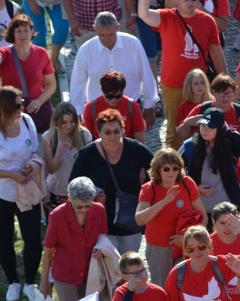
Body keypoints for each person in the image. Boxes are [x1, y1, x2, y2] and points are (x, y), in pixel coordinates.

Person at [137, 0, 227, 148]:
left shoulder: (208, 21)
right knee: (173, 130)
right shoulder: (167, 17)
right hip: (173, 85)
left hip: (199, 86)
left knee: (203, 126)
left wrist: (224, 80)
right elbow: (144, 14)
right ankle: (175, 166)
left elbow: (216, 52)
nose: (190, 2)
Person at [0, 87, 42, 301]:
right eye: (18, 105)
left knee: (33, 238)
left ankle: (30, 283)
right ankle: (12, 281)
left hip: (26, 190)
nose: (23, 107)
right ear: (5, 108)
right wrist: (10, 175)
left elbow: (34, 151)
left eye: (22, 103)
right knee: (4, 237)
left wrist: (31, 165)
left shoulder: (27, 121)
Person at [70, 108, 154, 255]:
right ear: (99, 132)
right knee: (111, 266)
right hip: (102, 221)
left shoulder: (135, 149)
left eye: (117, 131)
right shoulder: (87, 154)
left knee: (128, 264)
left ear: (123, 130)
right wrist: (93, 194)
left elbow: (157, 168)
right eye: (107, 132)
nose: (112, 136)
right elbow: (73, 185)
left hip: (130, 220)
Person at [135, 148, 208, 288]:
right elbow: (139, 219)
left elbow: (203, 218)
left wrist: (187, 239)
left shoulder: (187, 183)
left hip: (186, 247)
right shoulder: (149, 189)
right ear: (158, 170)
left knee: (188, 287)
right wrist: (165, 201)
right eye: (166, 169)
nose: (171, 172)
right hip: (160, 249)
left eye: (175, 168)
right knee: (163, 288)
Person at [70, 12, 158, 125]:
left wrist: (149, 107)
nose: (106, 39)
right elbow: (78, 82)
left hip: (130, 105)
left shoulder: (133, 44)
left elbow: (145, 74)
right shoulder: (86, 49)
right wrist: (78, 112)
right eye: (102, 35)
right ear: (94, 29)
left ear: (118, 27)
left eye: (111, 34)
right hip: (98, 107)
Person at [39, 177, 107, 301]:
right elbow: (48, 249)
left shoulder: (99, 210)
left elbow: (102, 235)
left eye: (88, 206)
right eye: (79, 207)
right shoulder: (57, 215)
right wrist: (44, 280)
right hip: (66, 274)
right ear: (69, 198)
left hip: (90, 272)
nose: (84, 210)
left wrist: (101, 249)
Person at [179, 107, 240, 215]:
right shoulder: (190, 146)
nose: (205, 130)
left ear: (221, 128)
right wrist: (194, 187)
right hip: (198, 212)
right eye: (202, 125)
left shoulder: (230, 144)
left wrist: (230, 133)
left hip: (227, 210)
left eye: (210, 127)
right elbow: (172, 169)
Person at [0, 15, 57, 133]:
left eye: (26, 30)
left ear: (32, 32)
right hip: (11, 107)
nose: (23, 34)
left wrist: (39, 101)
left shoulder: (41, 53)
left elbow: (51, 84)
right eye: (18, 31)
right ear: (12, 34)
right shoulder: (5, 53)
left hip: (37, 107)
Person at [42, 103, 94, 215]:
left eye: (72, 122)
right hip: (58, 191)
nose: (69, 126)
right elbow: (50, 169)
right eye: (64, 122)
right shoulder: (49, 137)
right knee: (60, 228)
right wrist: (58, 155)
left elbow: (91, 165)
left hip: (81, 190)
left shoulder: (84, 135)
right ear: (57, 122)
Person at [177, 74, 240, 140]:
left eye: (229, 93)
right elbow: (181, 136)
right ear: (214, 92)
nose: (225, 97)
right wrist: (188, 123)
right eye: (221, 93)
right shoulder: (202, 109)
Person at [82, 71, 147, 143]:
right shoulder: (91, 107)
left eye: (118, 96)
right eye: (109, 96)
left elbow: (139, 137)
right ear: (102, 90)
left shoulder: (132, 106)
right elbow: (86, 138)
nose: (113, 100)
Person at [175, 69, 213, 134]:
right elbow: (179, 132)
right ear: (189, 86)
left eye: (202, 82)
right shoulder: (183, 106)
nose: (200, 86)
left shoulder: (213, 102)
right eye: (196, 83)